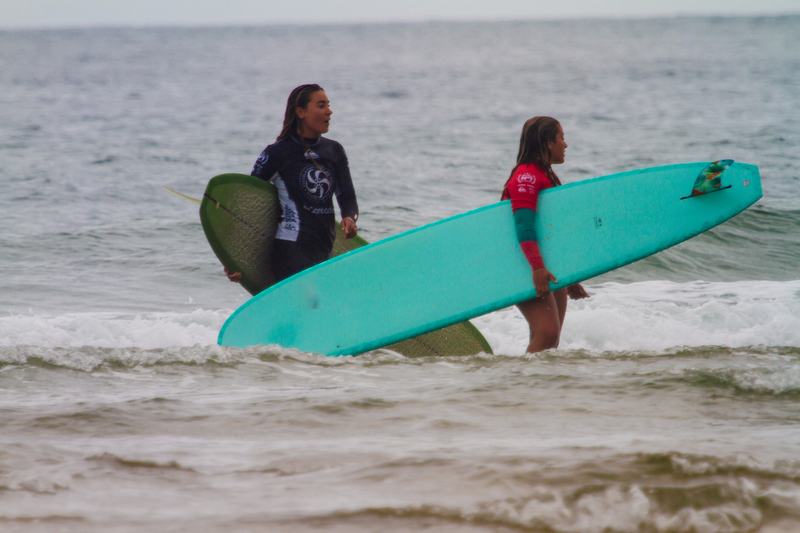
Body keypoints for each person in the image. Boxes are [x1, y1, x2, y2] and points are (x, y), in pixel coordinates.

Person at [225, 84, 359, 284]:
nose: (329, 111)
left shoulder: (334, 150)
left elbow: (346, 194)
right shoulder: (276, 153)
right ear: (300, 112)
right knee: (310, 301)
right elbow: (247, 207)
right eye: (321, 106)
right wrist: (232, 258)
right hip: (290, 251)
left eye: (328, 105)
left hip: (325, 250)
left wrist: (349, 217)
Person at [502, 116, 589, 353]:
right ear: (548, 143)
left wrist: (569, 277)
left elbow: (551, 232)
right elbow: (524, 225)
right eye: (561, 138)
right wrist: (537, 267)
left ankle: (531, 378)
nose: (565, 144)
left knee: (550, 340)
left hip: (544, 265)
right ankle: (518, 377)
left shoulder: (545, 175)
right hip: (527, 264)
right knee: (547, 334)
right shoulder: (527, 176)